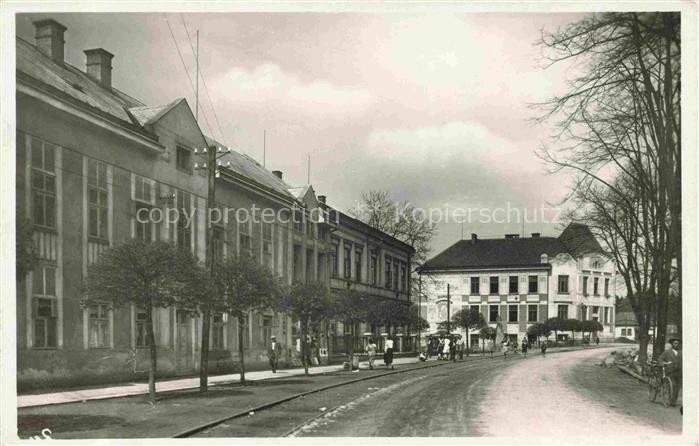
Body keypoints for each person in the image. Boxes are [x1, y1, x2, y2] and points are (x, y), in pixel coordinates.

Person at [658, 337, 682, 406]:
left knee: (677, 387)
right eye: (675, 343)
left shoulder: (681, 352)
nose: (676, 344)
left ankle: (673, 401)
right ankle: (669, 400)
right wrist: (664, 363)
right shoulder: (667, 352)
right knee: (673, 385)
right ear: (672, 344)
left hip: (679, 372)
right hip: (670, 371)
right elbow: (660, 359)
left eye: (677, 343)